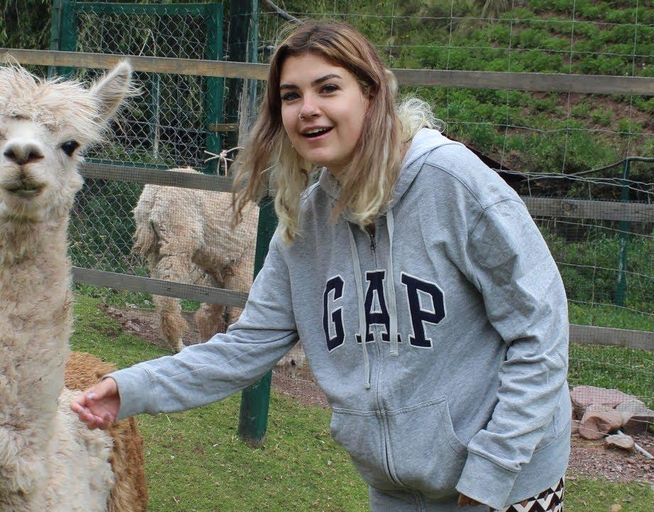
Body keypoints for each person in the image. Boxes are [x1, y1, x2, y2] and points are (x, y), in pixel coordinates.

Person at [72, 20, 571, 512]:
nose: (307, 109)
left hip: (506, 483)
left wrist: (494, 468)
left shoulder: (454, 183)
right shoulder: (307, 220)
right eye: (290, 96)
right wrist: (129, 388)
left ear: (372, 94)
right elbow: (244, 347)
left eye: (328, 88)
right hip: (398, 489)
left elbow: (540, 332)